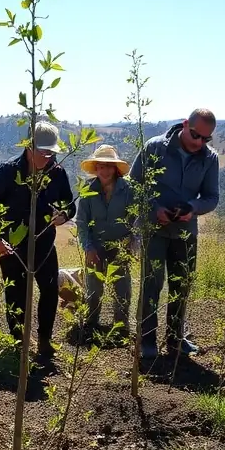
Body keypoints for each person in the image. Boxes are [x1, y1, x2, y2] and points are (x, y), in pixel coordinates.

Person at [130, 108, 220, 361]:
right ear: (184, 125)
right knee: (151, 286)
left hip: (185, 233)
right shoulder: (155, 147)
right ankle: (146, 341)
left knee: (181, 287)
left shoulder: (209, 159)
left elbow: (212, 197)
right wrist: (153, 209)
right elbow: (134, 184)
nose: (199, 142)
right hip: (154, 230)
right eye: (195, 135)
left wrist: (192, 208)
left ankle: (175, 339)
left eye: (206, 139)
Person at [0, 121, 75, 357]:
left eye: (51, 153)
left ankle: (45, 341)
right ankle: (19, 344)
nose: (47, 157)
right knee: (16, 293)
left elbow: (69, 203)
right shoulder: (8, 171)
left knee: (49, 290)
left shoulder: (57, 173)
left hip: (44, 243)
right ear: (28, 147)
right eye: (43, 152)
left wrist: (64, 215)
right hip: (11, 244)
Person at [76, 144, 135, 343]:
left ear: (115, 169)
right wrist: (88, 247)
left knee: (122, 288)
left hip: (121, 246)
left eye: (109, 166)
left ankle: (121, 327)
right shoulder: (87, 191)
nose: (105, 170)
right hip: (96, 246)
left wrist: (131, 244)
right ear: (96, 168)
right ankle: (91, 326)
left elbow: (136, 219)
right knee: (93, 288)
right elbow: (82, 222)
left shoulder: (128, 190)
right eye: (101, 166)